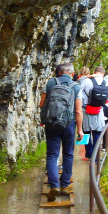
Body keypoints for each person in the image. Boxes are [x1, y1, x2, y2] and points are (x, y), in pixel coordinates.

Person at [39, 63, 84, 201]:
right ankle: (65, 185)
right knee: (68, 154)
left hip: (52, 123)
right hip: (69, 124)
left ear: (60, 72)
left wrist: (43, 119)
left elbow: (42, 104)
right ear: (72, 73)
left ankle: (54, 185)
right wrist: (80, 130)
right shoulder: (76, 87)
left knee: (52, 154)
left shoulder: (52, 82)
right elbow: (78, 110)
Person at [80, 66, 107, 162]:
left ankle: (88, 154)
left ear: (94, 71)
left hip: (85, 110)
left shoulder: (87, 81)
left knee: (85, 133)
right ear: (103, 73)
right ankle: (96, 158)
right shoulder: (105, 82)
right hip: (99, 111)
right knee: (97, 134)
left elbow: (79, 94)